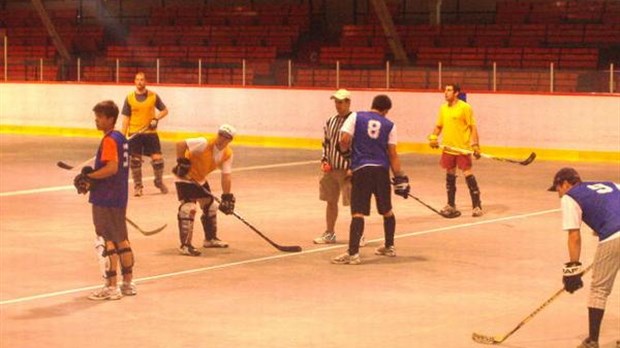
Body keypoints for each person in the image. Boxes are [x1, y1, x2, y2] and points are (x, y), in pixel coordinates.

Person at [331, 94, 410, 265]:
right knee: (386, 210)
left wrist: (346, 154)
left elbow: (344, 140)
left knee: (358, 212)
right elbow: (393, 154)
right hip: (381, 170)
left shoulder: (355, 116)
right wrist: (400, 177)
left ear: (373, 105)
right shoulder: (390, 125)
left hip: (361, 169)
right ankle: (389, 246)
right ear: (385, 110)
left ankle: (353, 254)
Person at [548, 167, 619, 348]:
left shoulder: (570, 196)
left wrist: (573, 268)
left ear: (565, 184)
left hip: (613, 236)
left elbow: (574, 235)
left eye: (557, 189)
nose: (558, 194)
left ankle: (592, 342)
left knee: (599, 290)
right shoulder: (610, 184)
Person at [73, 100, 137, 300]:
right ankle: (128, 283)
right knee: (121, 239)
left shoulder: (109, 139)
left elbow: (111, 168)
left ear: (110, 119)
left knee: (106, 240)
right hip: (119, 195)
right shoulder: (121, 138)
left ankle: (111, 287)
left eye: (100, 117)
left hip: (105, 197)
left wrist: (90, 177)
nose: (96, 120)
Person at [171, 124, 237, 256]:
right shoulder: (204, 143)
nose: (222, 138)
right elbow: (180, 144)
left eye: (226, 137)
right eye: (221, 134)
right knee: (189, 208)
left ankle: (210, 239)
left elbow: (226, 176)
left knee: (211, 206)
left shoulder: (227, 154)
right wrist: (182, 162)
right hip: (185, 177)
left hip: (199, 179)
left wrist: (226, 196)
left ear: (230, 140)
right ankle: (185, 245)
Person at [314, 89, 365, 246]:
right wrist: (324, 160)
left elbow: (359, 146)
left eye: (341, 102)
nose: (338, 105)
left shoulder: (357, 121)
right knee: (330, 201)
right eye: (336, 102)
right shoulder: (331, 121)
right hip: (331, 169)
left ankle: (359, 235)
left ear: (348, 103)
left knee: (355, 204)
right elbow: (326, 143)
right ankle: (330, 233)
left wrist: (354, 166)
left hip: (348, 170)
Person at [428, 83, 483, 218]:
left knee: (468, 175)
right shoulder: (443, 109)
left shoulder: (465, 108)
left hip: (462, 148)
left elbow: (473, 127)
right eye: (445, 90)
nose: (445, 93)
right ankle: (451, 204)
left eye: (449, 90)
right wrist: (433, 137)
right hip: (448, 148)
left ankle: (477, 206)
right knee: (450, 177)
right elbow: (439, 126)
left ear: (456, 93)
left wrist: (475, 145)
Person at [121, 71, 169, 197]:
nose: (139, 82)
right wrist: (122, 136)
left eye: (142, 79)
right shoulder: (129, 98)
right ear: (134, 82)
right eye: (137, 79)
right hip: (135, 133)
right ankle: (138, 187)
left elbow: (165, 110)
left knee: (158, 160)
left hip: (150, 133)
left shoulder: (153, 96)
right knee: (135, 161)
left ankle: (158, 182)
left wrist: (156, 118)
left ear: (145, 81)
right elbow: (126, 118)